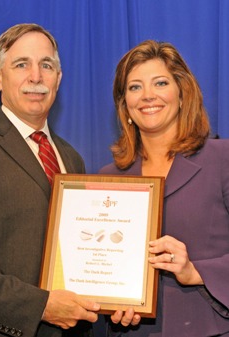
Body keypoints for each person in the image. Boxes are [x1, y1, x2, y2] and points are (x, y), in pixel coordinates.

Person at [0, 23, 139, 337]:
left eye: (46, 65)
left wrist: (121, 296)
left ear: (59, 77)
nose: (36, 77)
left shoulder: (71, 158)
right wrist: (39, 306)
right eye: (21, 64)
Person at [100, 40, 229, 336]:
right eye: (134, 87)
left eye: (160, 83)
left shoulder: (222, 160)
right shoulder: (109, 179)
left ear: (182, 94)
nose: (147, 96)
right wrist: (111, 304)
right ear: (125, 106)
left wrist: (196, 272)